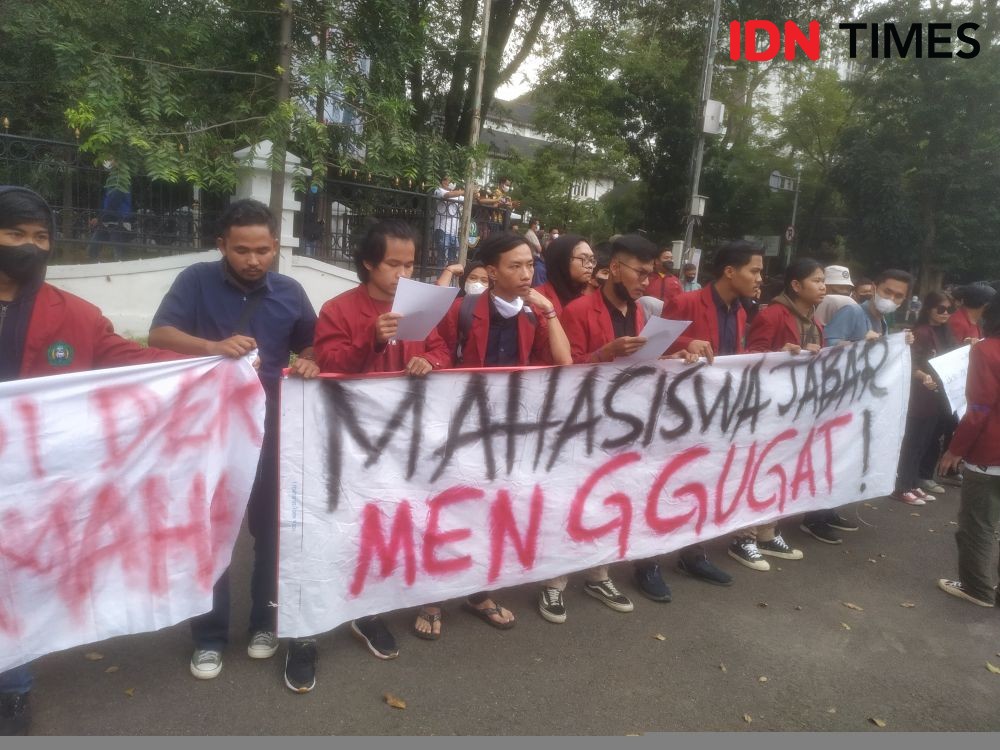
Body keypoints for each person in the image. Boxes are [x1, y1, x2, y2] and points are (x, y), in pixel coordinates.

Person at [0, 186, 180, 736]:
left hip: (34, 483)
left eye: (41, 238)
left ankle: (13, 688)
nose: (30, 246)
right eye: (15, 235)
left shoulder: (76, 316)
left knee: (15, 585)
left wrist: (211, 363)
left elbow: (136, 366)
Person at [148, 199, 321, 691]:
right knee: (210, 531)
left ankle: (265, 620)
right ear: (222, 245)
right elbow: (160, 333)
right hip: (205, 430)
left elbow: (310, 344)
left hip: (271, 432)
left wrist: (309, 360)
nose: (253, 260)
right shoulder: (195, 281)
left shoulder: (290, 291)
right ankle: (208, 635)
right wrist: (213, 348)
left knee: (272, 530)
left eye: (263, 250)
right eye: (242, 250)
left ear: (276, 248)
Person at [310, 219, 451, 680]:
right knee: (351, 519)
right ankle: (343, 605)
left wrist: (427, 359)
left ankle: (378, 601)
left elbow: (443, 351)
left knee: (398, 516)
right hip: (354, 441)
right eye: (393, 263)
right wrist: (370, 340)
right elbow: (326, 363)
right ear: (368, 263)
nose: (402, 273)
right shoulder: (338, 309)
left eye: (410, 264)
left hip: (406, 438)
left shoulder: (421, 305)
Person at [424, 232, 572, 638]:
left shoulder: (533, 313)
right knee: (449, 509)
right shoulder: (462, 311)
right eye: (515, 266)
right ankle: (432, 595)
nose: (527, 274)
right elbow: (435, 353)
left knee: (491, 511)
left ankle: (478, 592)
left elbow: (562, 362)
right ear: (492, 272)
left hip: (506, 434)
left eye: (530, 265)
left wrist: (550, 313)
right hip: (458, 429)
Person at [540, 234, 655, 621]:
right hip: (579, 425)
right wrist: (602, 355)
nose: (646, 281)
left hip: (622, 425)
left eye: (651, 274)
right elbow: (558, 371)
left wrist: (677, 353)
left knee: (611, 499)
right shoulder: (577, 311)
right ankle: (554, 582)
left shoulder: (640, 314)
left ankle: (598, 572)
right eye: (640, 272)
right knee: (571, 501)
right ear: (616, 269)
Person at [659, 240, 768, 587]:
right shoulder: (685, 302)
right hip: (676, 416)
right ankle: (646, 564)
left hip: (714, 416)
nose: (759, 278)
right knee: (661, 485)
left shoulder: (739, 312)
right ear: (730, 272)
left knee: (702, 483)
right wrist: (682, 345)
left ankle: (693, 554)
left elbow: (730, 359)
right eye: (755, 270)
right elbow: (654, 348)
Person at [727, 259, 826, 570]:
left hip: (794, 413)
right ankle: (743, 537)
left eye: (824, 281)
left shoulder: (814, 319)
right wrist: (778, 356)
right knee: (755, 472)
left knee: (781, 472)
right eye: (817, 281)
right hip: (764, 411)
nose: (823, 287)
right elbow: (750, 361)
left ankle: (768, 531)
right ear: (796, 285)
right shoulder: (772, 315)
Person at [806, 269, 914, 543]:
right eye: (888, 291)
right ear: (876, 287)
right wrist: (857, 344)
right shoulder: (853, 313)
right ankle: (813, 517)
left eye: (898, 296)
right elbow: (827, 346)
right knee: (828, 458)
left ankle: (828, 509)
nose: (891, 298)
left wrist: (899, 344)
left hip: (856, 403)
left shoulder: (883, 321)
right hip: (836, 402)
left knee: (844, 459)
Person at [937, 296, 1000, 608]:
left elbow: (977, 409)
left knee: (978, 525)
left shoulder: (985, 351)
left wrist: (954, 450)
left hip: (990, 455)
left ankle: (976, 588)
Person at [892, 291, 958, 506]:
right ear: (928, 308)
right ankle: (901, 486)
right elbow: (911, 362)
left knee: (924, 442)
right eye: (941, 309)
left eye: (949, 309)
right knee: (912, 443)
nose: (946, 313)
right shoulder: (920, 332)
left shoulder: (943, 332)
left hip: (935, 396)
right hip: (918, 397)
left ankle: (912, 483)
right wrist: (922, 376)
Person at [534, 234, 595, 317]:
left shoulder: (592, 298)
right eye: (584, 259)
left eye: (591, 260)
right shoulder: (536, 299)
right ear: (562, 260)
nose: (590, 265)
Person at [87, 169, 133, 261]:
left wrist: (99, 219)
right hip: (106, 221)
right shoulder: (110, 185)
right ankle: (98, 267)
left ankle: (118, 268)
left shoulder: (120, 183)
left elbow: (113, 204)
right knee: (92, 249)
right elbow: (106, 204)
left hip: (119, 222)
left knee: (117, 252)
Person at [432, 175, 464, 266]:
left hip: (453, 232)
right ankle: (440, 278)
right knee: (442, 257)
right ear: (443, 181)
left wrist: (474, 193)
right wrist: (464, 191)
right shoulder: (438, 190)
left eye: (452, 181)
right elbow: (447, 195)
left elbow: (468, 199)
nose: (451, 183)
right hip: (442, 229)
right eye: (449, 181)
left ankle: (450, 278)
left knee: (453, 258)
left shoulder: (457, 195)